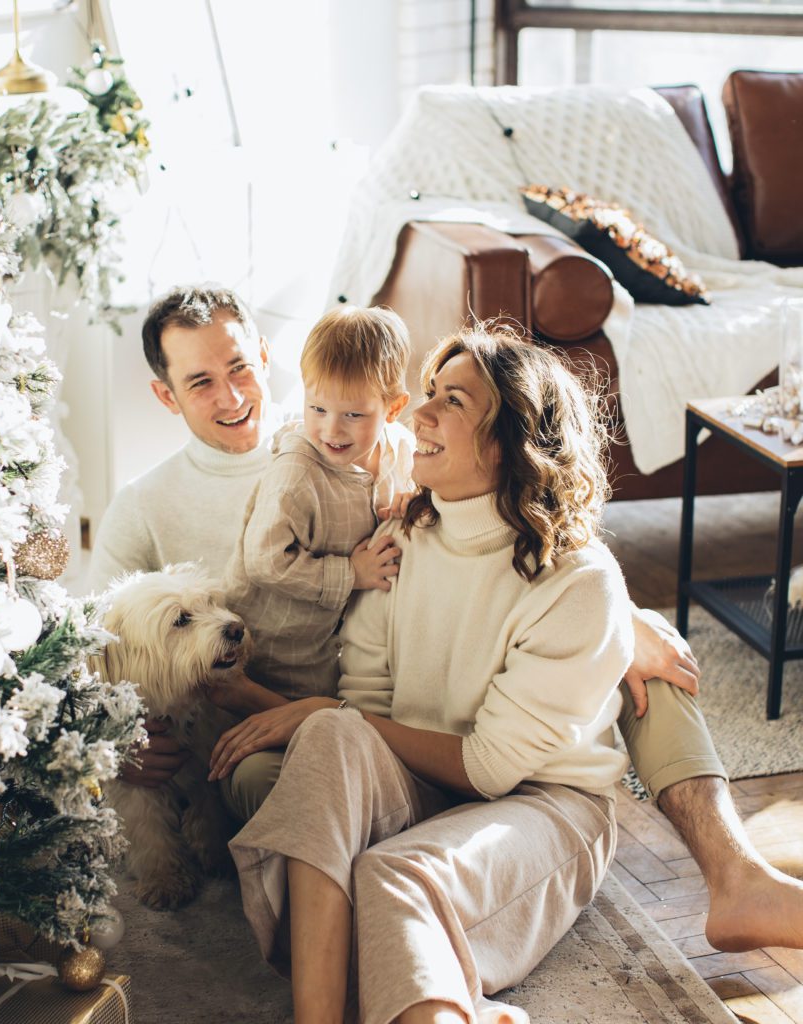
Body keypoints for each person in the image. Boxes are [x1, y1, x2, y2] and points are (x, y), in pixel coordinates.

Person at [90, 284, 803, 955]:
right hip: (298, 706)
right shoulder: (142, 506)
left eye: (240, 367)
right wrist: (117, 743)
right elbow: (93, 657)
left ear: (269, 362)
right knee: (273, 779)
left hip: (391, 674)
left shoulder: (340, 423)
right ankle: (406, 890)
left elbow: (502, 507)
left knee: (648, 647)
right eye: (200, 382)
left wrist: (614, 612)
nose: (232, 394)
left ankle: (734, 875)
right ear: (164, 394)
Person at [213, 325, 634, 1022]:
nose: (418, 416)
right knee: (331, 738)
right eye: (428, 395)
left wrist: (337, 717)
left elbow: (490, 767)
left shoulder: (580, 583)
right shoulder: (403, 540)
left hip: (543, 804)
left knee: (391, 874)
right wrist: (334, 721)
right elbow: (366, 706)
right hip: (430, 781)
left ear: (508, 438)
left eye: (451, 403)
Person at [223, 305, 413, 704]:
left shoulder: (402, 449)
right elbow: (264, 560)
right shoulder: (296, 472)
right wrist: (349, 574)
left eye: (354, 415)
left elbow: (422, 492)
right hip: (278, 650)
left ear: (393, 409)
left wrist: (415, 501)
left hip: (343, 645)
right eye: (318, 408)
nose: (331, 429)